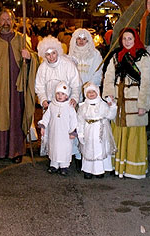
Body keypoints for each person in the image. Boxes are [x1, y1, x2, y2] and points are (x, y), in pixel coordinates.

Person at [0, 8, 39, 163]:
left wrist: (29, 57)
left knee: (16, 116)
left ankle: (16, 152)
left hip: (17, 86)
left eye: (9, 19)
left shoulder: (21, 39)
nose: (6, 22)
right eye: (3, 19)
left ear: (14, 21)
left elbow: (35, 58)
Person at [103, 28, 150, 179]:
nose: (127, 41)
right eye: (124, 39)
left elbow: (147, 82)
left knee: (134, 137)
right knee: (117, 133)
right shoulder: (116, 56)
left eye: (130, 38)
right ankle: (116, 166)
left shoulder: (143, 57)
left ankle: (133, 169)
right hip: (118, 103)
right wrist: (109, 95)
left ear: (135, 39)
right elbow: (109, 76)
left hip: (134, 103)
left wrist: (143, 105)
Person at [35, 35, 81, 166]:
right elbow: (39, 86)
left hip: (66, 105)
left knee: (67, 133)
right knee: (53, 133)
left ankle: (68, 157)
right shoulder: (43, 68)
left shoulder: (68, 65)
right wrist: (43, 100)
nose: (51, 57)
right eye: (48, 54)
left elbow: (75, 84)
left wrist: (74, 98)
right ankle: (54, 158)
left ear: (58, 51)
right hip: (51, 104)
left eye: (53, 53)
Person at [77, 82, 117, 179]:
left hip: (100, 130)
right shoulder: (83, 107)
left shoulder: (102, 104)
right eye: (88, 92)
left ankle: (99, 170)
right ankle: (88, 170)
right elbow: (80, 121)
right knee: (89, 149)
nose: (91, 94)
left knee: (100, 148)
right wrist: (81, 134)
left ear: (97, 92)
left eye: (93, 92)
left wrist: (112, 107)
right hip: (88, 131)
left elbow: (111, 116)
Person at [38, 81, 77, 176]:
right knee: (54, 147)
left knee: (64, 148)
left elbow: (74, 120)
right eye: (58, 93)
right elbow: (46, 117)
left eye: (63, 94)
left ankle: (64, 165)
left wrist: (73, 132)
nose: (60, 96)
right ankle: (54, 164)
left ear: (67, 96)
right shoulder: (52, 105)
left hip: (65, 133)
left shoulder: (70, 107)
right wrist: (43, 126)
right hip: (54, 132)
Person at [69, 28, 103, 99]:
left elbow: (98, 72)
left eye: (84, 39)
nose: (81, 41)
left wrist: (90, 86)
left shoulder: (95, 54)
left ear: (88, 40)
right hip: (75, 91)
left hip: (90, 91)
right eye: (79, 38)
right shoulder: (71, 55)